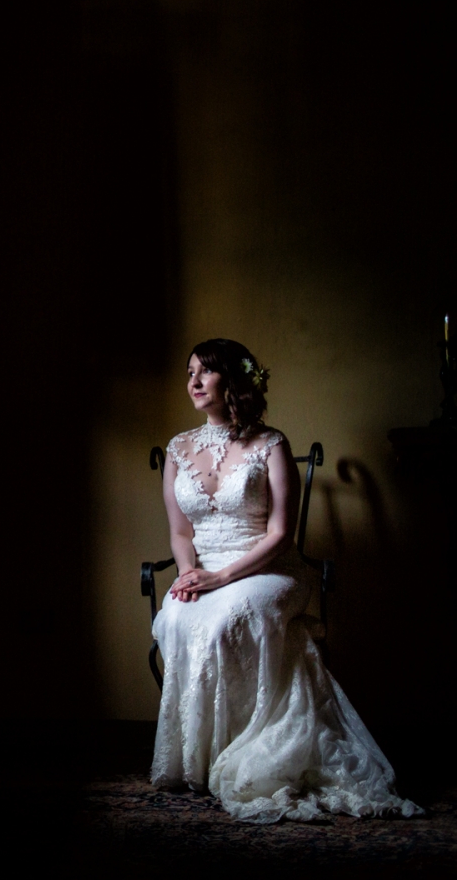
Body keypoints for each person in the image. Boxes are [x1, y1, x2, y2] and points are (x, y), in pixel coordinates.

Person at [150, 338, 421, 823]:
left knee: (223, 621)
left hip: (267, 568)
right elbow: (178, 530)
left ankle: (248, 748)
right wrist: (191, 571)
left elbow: (280, 534)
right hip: (204, 566)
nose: (192, 381)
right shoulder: (178, 447)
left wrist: (221, 577)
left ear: (232, 381)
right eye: (188, 371)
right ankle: (198, 759)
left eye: (204, 372)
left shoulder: (271, 443)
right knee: (174, 619)